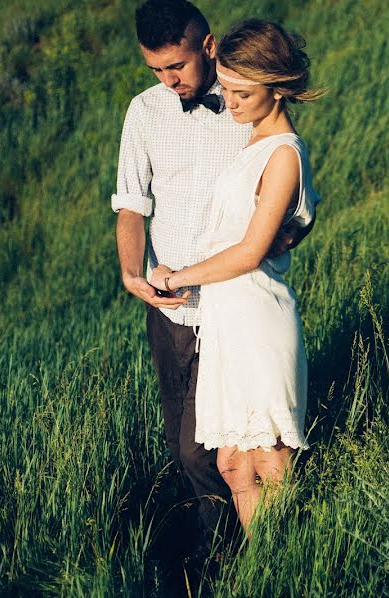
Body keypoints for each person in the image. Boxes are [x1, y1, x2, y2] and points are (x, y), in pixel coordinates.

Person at [112, 0, 308, 562]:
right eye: (156, 70)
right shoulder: (144, 112)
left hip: (230, 309)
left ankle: (234, 554)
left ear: (208, 45)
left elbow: (288, 192)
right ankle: (222, 545)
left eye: (176, 66)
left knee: (218, 449)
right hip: (170, 311)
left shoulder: (247, 106)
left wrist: (284, 236)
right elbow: (131, 205)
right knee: (188, 448)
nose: (169, 80)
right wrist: (132, 272)